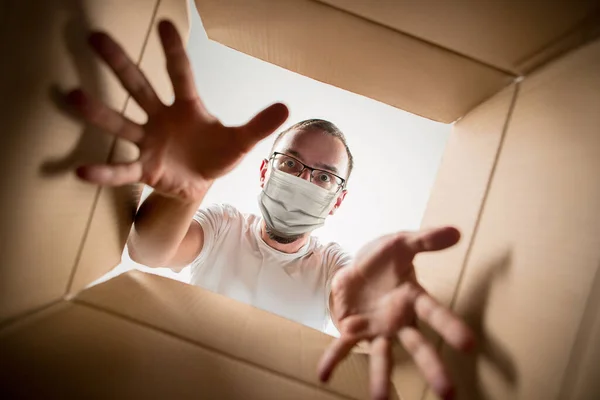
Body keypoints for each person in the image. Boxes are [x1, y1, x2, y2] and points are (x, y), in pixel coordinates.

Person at [66, 20, 474, 400]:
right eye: (291, 164)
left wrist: (374, 315)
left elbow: (354, 302)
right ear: (265, 170)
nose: (303, 182)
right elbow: (149, 251)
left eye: (324, 177)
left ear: (338, 200)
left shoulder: (333, 265)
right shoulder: (224, 225)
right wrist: (188, 190)